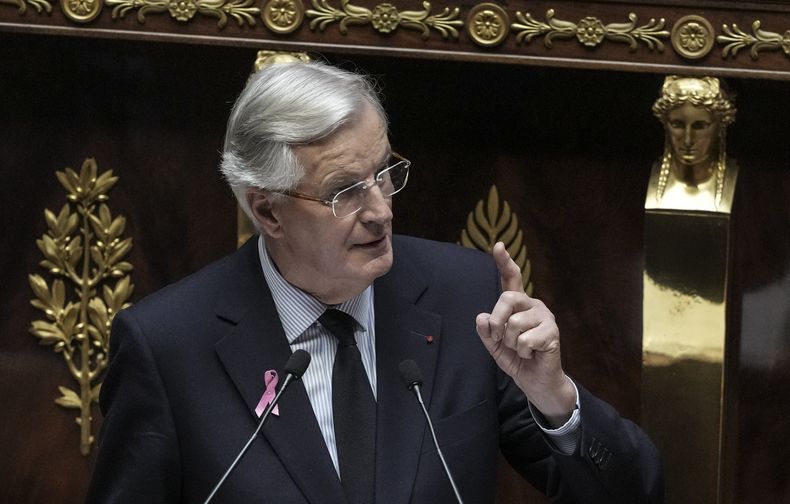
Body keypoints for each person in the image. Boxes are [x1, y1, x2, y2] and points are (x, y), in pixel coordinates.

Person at [86, 61, 663, 503]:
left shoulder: (466, 299)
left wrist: (553, 396)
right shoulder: (168, 346)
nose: (381, 211)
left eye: (384, 174)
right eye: (344, 191)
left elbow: (635, 490)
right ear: (268, 212)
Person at [646, 75, 738, 213]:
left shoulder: (741, 185)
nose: (688, 140)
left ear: (720, 126)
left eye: (700, 126)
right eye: (677, 125)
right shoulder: (643, 182)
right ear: (665, 124)